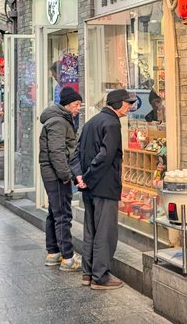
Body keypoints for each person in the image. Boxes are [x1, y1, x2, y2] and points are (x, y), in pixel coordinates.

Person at [76, 88, 136, 290]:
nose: (130, 107)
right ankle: (100, 276)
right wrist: (87, 177)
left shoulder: (91, 122)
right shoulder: (111, 123)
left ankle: (88, 273)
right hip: (103, 185)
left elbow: (76, 152)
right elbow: (105, 156)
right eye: (128, 103)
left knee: (91, 230)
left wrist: (81, 177)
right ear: (117, 104)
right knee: (105, 231)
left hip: (89, 186)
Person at [39, 87, 83, 271]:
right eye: (76, 104)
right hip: (56, 174)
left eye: (79, 104)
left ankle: (53, 252)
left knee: (54, 212)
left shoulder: (59, 119)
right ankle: (68, 257)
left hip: (53, 173)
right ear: (66, 105)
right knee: (63, 214)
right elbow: (56, 152)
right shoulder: (58, 121)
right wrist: (66, 175)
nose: (78, 108)